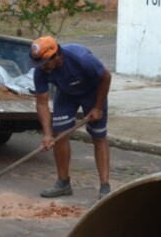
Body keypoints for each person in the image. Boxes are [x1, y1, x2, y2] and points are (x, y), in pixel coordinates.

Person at [31, 36, 112, 200]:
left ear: (56, 55)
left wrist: (97, 108)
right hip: (66, 95)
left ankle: (105, 186)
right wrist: (47, 135)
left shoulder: (81, 59)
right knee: (59, 134)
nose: (42, 67)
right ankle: (63, 183)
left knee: (98, 137)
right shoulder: (40, 70)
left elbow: (106, 77)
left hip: (92, 93)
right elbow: (42, 103)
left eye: (45, 62)